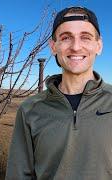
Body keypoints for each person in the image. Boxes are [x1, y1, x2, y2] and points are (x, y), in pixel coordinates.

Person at [6, 6, 112, 179]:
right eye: (66, 38)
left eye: (85, 37)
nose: (76, 47)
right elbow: (18, 175)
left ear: (99, 45)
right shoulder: (30, 110)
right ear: (53, 46)